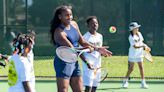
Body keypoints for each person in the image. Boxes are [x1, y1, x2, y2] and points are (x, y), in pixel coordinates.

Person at [49, 5, 112, 92]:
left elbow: (82, 42)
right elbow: (73, 50)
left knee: (79, 90)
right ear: (60, 17)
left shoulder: (74, 24)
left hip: (74, 62)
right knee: (63, 90)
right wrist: (90, 49)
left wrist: (97, 48)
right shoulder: (59, 33)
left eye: (70, 15)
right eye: (66, 15)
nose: (69, 17)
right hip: (63, 63)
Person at [122, 22, 151, 89]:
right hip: (132, 55)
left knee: (141, 68)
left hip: (139, 54)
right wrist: (143, 46)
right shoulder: (130, 37)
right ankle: (125, 81)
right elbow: (135, 46)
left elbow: (142, 42)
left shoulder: (139, 34)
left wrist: (146, 45)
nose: (138, 28)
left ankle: (143, 83)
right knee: (131, 69)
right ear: (133, 29)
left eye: (137, 27)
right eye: (136, 28)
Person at [81, 16, 103, 92]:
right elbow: (80, 52)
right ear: (88, 25)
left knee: (94, 88)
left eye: (96, 23)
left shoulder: (100, 36)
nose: (95, 25)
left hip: (98, 66)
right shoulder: (84, 38)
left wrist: (103, 53)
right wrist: (87, 63)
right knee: (88, 88)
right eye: (92, 24)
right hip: (88, 66)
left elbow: (99, 49)